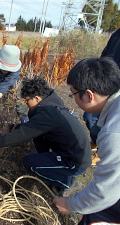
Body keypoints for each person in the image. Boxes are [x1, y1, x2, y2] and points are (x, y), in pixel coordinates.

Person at [0, 77, 92, 197]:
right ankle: (48, 163)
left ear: (37, 98)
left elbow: (22, 135)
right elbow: (32, 128)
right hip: (70, 151)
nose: (26, 105)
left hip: (75, 161)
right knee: (38, 136)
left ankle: (68, 183)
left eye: (27, 100)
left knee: (30, 163)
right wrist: (11, 127)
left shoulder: (48, 114)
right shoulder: (50, 103)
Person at [54, 57, 120, 224]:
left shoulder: (114, 133)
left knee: (95, 217)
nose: (73, 98)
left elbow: (105, 190)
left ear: (89, 95)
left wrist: (71, 205)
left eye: (73, 93)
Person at [83, 28, 120, 145]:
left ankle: (105, 146)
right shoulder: (117, 35)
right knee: (90, 115)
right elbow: (104, 57)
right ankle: (99, 142)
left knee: (112, 122)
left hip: (116, 89)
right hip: (106, 83)